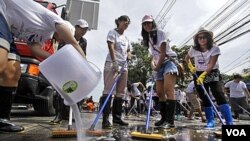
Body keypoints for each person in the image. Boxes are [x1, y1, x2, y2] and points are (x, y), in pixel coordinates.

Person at [0, 0, 86, 132]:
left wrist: (56, 60)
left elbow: (34, 48)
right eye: (63, 37)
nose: (62, 40)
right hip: (2, 13)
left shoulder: (45, 35)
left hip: (8, 29)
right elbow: (73, 43)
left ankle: (2, 120)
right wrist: (85, 66)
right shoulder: (57, 21)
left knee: (13, 71)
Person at [185, 27, 233, 128]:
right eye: (200, 38)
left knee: (218, 93)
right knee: (204, 96)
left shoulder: (215, 48)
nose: (202, 39)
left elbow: (211, 65)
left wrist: (203, 75)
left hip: (212, 72)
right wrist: (191, 67)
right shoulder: (193, 49)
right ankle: (210, 121)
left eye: (204, 37)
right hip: (198, 73)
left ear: (208, 38)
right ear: (197, 40)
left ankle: (229, 121)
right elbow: (187, 58)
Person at [141, 15, 178, 128]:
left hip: (168, 62)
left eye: (149, 23)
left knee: (168, 90)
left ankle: (170, 121)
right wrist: (153, 64)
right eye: (145, 23)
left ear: (153, 23)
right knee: (160, 92)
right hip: (158, 65)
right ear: (142, 26)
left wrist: (156, 68)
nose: (147, 25)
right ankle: (163, 118)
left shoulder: (160, 32)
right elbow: (154, 55)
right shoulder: (148, 38)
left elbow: (162, 53)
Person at [51, 19, 90, 124]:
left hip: (75, 68)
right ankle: (58, 115)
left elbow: (83, 54)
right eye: (82, 29)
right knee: (60, 91)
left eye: (85, 29)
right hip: (64, 66)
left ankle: (69, 115)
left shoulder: (84, 41)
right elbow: (60, 51)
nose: (84, 31)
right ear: (76, 27)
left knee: (72, 91)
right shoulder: (66, 37)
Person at [100, 15, 131, 129]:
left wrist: (129, 54)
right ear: (118, 21)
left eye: (128, 22)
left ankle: (117, 119)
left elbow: (128, 50)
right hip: (112, 64)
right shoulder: (112, 32)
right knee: (108, 91)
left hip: (124, 66)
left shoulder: (126, 38)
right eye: (124, 21)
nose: (126, 23)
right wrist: (114, 62)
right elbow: (111, 46)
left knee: (120, 93)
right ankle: (105, 120)